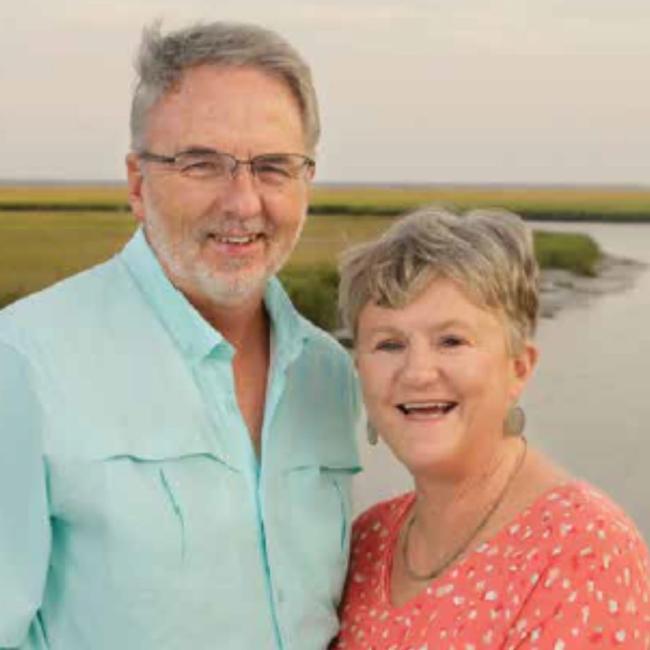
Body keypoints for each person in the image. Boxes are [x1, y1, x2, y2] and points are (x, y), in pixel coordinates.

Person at [0, 22, 361, 650]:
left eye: (274, 167)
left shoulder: (329, 373)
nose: (244, 203)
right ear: (138, 184)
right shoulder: (24, 361)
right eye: (202, 164)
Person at [333, 206, 650, 649]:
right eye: (389, 344)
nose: (418, 372)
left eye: (451, 341)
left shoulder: (583, 548)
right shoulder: (367, 540)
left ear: (519, 368)